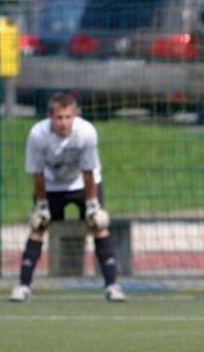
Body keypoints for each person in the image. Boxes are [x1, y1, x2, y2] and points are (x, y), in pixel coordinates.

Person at [9, 92, 125, 303]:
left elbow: (89, 171)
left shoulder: (86, 132)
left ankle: (112, 286)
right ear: (50, 117)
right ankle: (23, 286)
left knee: (98, 224)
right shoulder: (37, 135)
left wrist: (92, 205)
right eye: (59, 118)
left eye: (68, 117)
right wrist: (42, 206)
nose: (63, 123)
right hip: (51, 185)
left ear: (75, 116)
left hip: (82, 183)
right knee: (38, 226)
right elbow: (37, 173)